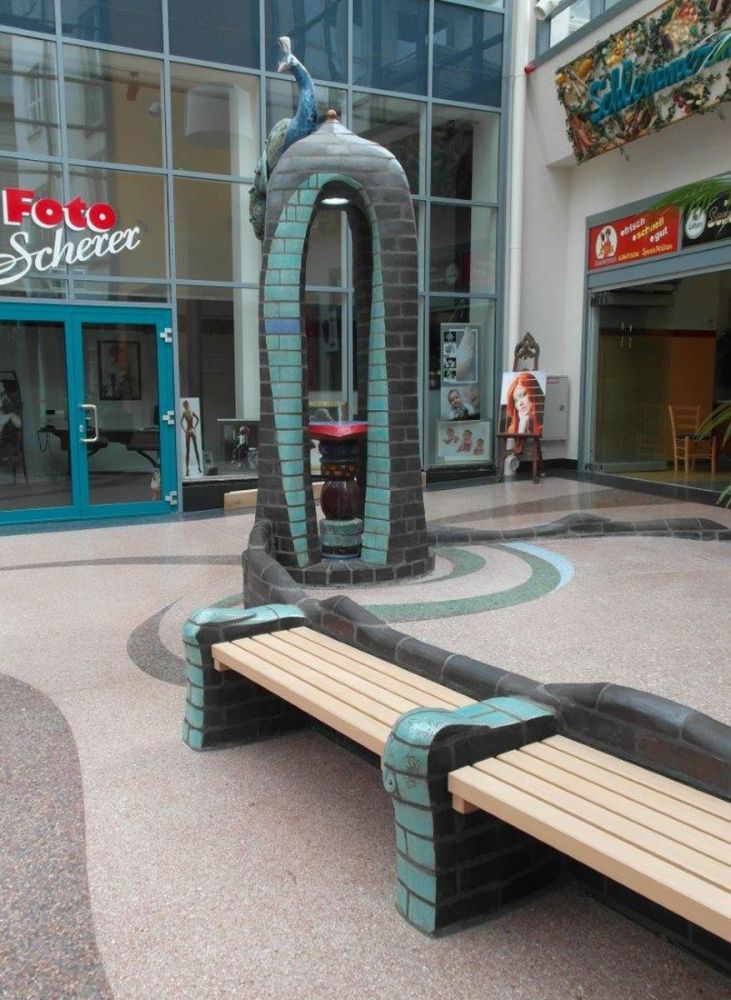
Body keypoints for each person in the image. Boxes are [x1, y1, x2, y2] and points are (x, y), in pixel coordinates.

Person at [504, 371, 544, 472]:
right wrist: (522, 426)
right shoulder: (514, 426)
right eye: (516, 400)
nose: (520, 403)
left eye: (523, 395)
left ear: (533, 392)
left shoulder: (542, 423)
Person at [180, 399, 202, 476]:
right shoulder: (191, 411)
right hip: (192, 430)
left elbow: (181, 422)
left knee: (188, 450)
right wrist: (194, 427)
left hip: (188, 430)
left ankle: (187, 470)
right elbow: (198, 419)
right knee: (196, 449)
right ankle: (199, 467)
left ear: (184, 406)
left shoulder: (184, 412)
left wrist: (185, 430)